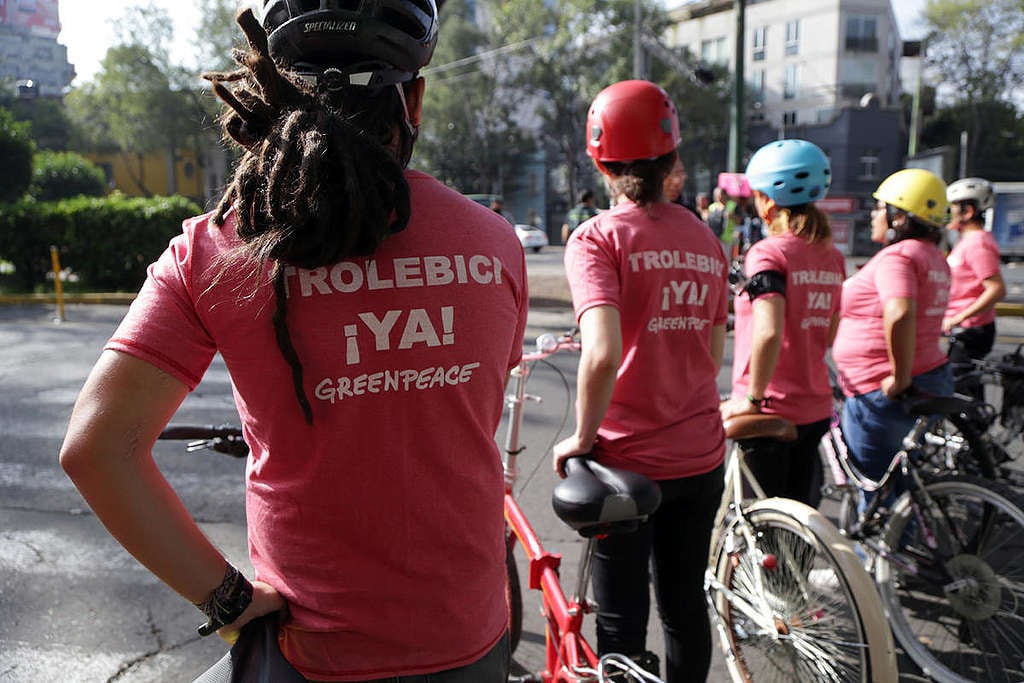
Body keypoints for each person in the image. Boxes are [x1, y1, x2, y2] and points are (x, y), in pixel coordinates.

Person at [58, 3, 527, 682]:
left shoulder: (213, 249)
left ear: (274, 91)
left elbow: (98, 448)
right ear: (414, 99)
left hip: (310, 657)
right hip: (474, 645)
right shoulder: (494, 242)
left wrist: (226, 599)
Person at [554, 79, 729, 683]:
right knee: (684, 608)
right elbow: (712, 347)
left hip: (628, 465)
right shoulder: (707, 239)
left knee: (623, 624)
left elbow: (601, 353)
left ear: (600, 159)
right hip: (702, 457)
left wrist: (580, 436)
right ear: (670, 159)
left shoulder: (598, 238)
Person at [720, 139, 845, 507]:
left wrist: (753, 398)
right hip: (815, 407)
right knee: (796, 523)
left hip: (770, 410)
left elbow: (769, 329)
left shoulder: (768, 253)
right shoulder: (831, 255)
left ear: (768, 202)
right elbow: (830, 328)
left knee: (759, 530)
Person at [832, 168, 951, 502]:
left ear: (899, 216)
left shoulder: (898, 257)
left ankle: (881, 554)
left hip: (883, 389)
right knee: (902, 487)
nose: (874, 214)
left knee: (876, 493)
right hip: (930, 374)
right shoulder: (932, 257)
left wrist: (897, 378)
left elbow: (900, 311)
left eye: (880, 207)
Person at [943, 177, 1006, 374]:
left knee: (961, 394)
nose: (946, 213)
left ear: (968, 211)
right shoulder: (967, 241)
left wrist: (959, 318)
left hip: (971, 331)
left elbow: (996, 289)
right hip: (964, 328)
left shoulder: (978, 244)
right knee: (965, 389)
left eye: (951, 208)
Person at [662, 156, 702, 220]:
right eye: (669, 173)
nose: (676, 181)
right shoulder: (643, 214)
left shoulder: (691, 215)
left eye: (680, 173)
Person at [706, 186, 741, 254]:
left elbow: (740, 221)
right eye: (716, 195)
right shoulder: (712, 207)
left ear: (725, 195)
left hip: (727, 239)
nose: (718, 197)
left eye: (719, 195)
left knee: (725, 260)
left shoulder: (732, 205)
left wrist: (731, 216)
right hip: (714, 238)